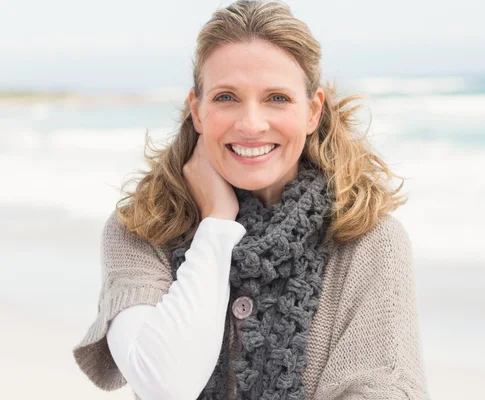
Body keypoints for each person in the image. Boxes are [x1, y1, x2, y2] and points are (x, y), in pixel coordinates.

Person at [72, 1, 430, 399]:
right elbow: (165, 386)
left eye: (277, 98)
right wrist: (216, 224)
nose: (251, 124)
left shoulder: (369, 241)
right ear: (197, 110)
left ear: (312, 112)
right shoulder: (142, 230)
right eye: (226, 97)